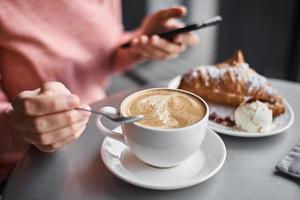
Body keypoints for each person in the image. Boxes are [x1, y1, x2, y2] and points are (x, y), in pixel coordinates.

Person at [0, 0, 199, 185]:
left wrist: (137, 44)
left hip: (96, 141)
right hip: (25, 168)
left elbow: (102, 55)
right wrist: (22, 124)